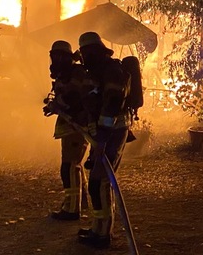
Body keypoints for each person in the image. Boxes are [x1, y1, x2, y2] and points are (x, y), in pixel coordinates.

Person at [76, 31, 131, 249]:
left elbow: (112, 105)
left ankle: (103, 234)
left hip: (113, 132)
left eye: (87, 52)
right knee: (96, 182)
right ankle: (97, 228)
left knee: (101, 181)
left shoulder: (112, 71)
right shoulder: (96, 71)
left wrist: (102, 138)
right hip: (101, 132)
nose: (85, 57)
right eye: (83, 53)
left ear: (97, 51)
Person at [45, 40, 90, 221]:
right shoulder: (66, 74)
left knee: (69, 166)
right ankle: (81, 201)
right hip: (71, 125)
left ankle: (71, 209)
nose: (55, 61)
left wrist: (58, 105)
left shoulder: (77, 73)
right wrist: (53, 106)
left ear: (65, 57)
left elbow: (74, 99)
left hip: (78, 125)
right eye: (53, 57)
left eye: (58, 57)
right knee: (74, 164)